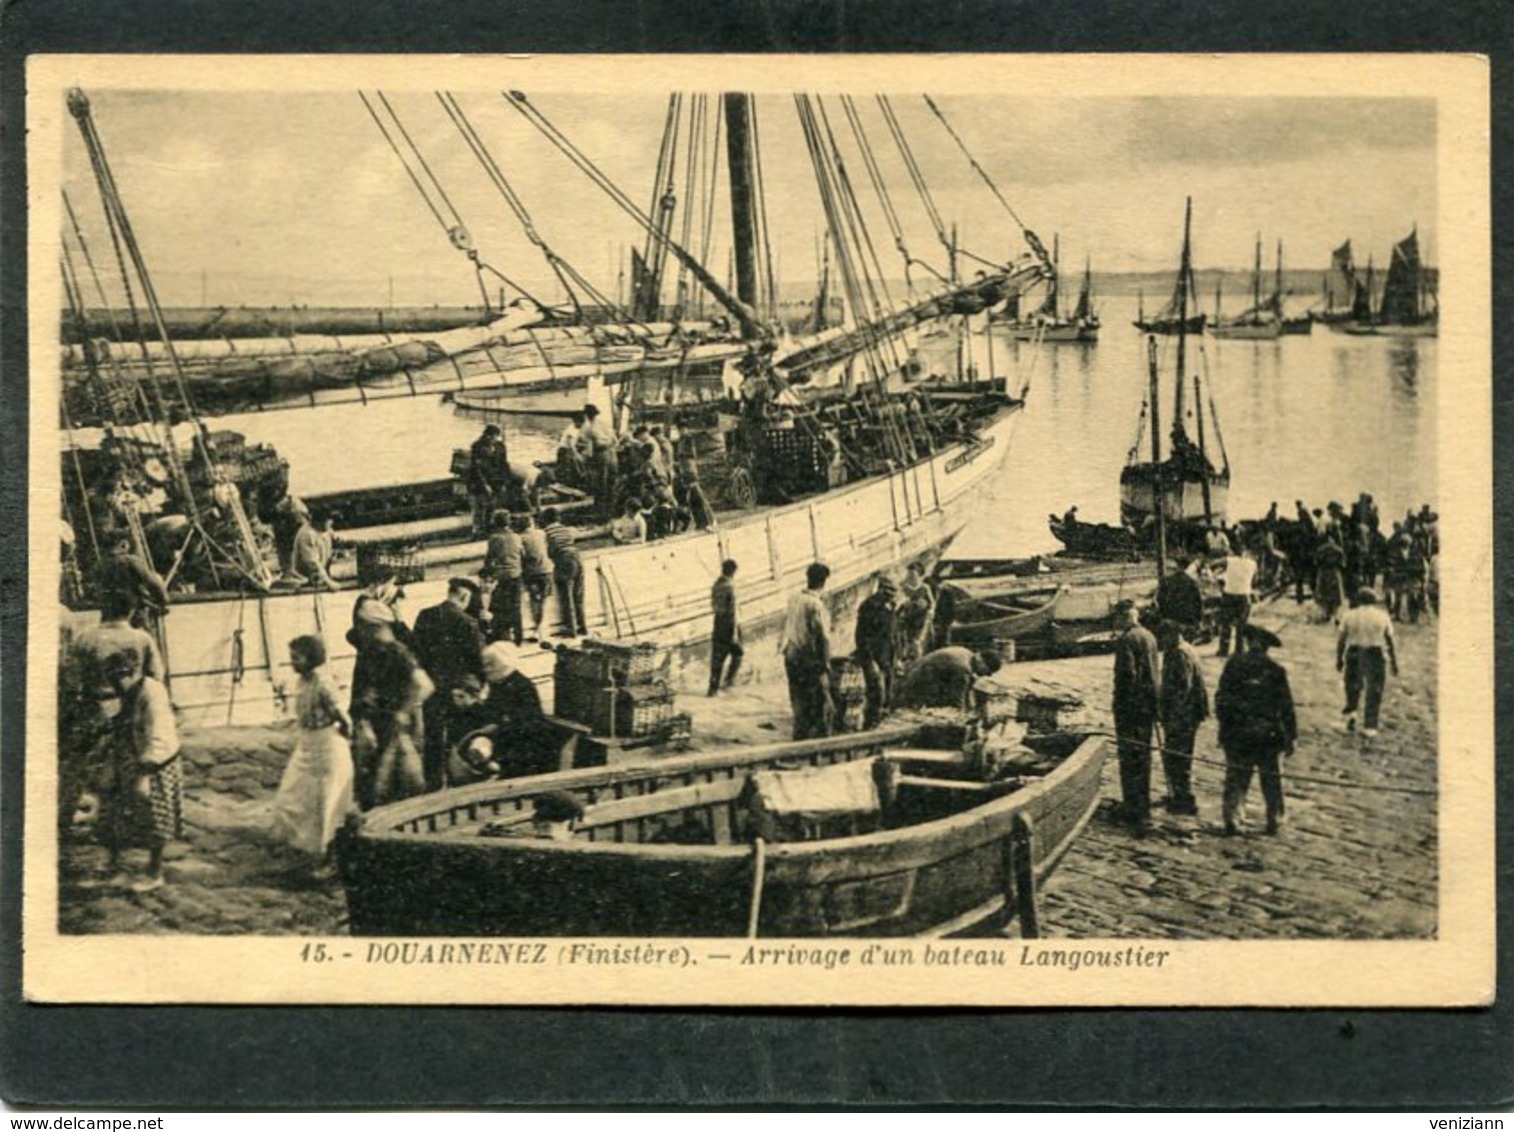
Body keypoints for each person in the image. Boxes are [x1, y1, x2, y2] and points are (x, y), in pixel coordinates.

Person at [270, 635, 354, 876]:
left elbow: (344, 719)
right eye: (292, 657)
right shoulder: (301, 682)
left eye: (297, 657)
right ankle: (301, 850)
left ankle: (331, 860)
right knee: (292, 797)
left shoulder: (323, 683)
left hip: (327, 747)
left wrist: (341, 743)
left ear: (312, 658)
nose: (293, 662)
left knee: (327, 805)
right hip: (306, 745)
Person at [99, 649, 182, 893]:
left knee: (155, 815)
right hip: (128, 754)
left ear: (134, 671)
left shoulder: (152, 692)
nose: (116, 683)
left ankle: (155, 872)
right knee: (112, 808)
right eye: (111, 678)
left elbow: (160, 733)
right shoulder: (126, 691)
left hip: (156, 760)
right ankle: (115, 865)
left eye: (120, 677)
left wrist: (146, 771)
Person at [347, 598, 433, 809]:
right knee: (372, 779)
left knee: (394, 781)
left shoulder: (397, 652)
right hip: (377, 723)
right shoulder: (372, 650)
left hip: (395, 725)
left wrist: (404, 711)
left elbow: (424, 685)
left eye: (364, 625)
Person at [1215, 624, 1297, 836]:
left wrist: (1225, 728)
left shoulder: (1234, 666)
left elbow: (1221, 700)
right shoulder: (1276, 670)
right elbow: (1286, 707)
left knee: (1236, 778)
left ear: (1250, 642)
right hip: (1268, 735)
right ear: (1267, 647)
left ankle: (1232, 818)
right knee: (1271, 781)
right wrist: (1291, 737)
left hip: (1239, 733)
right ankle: (1274, 820)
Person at [411, 577, 487, 791]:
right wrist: (479, 687)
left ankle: (433, 784)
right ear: (464, 596)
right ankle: (457, 782)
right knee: (459, 737)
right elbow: (479, 661)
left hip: (431, 688)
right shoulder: (468, 623)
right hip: (458, 692)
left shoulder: (425, 616)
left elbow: (415, 653)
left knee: (433, 737)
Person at [451, 643, 561, 779]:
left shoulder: (521, 686)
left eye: (490, 665)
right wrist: (472, 705)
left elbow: (523, 723)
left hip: (526, 739)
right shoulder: (500, 683)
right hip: (507, 733)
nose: (486, 670)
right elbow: (492, 712)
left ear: (504, 664)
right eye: (485, 665)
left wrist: (493, 728)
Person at [1111, 599, 1160, 831]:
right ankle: (1143, 805)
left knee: (1130, 759)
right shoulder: (1149, 636)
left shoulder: (1126, 640)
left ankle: (1133, 809)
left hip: (1131, 709)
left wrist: (1120, 706)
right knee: (1143, 758)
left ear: (1123, 617)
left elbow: (1126, 677)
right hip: (1148, 707)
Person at [1157, 619, 1208, 816]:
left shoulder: (1179, 654)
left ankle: (1184, 799)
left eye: (1163, 638)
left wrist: (1171, 718)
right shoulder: (1185, 647)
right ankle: (1178, 793)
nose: (1161, 643)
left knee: (1177, 756)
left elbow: (1182, 690)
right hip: (1188, 713)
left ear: (1171, 635)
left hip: (1184, 715)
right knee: (1179, 756)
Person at [780, 562, 834, 740]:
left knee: (797, 698)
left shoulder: (794, 598)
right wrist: (826, 663)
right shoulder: (816, 605)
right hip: (808, 658)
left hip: (790, 655)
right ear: (824, 582)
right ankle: (818, 739)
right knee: (817, 700)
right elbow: (823, 637)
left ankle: (800, 735)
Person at [1336, 587, 1399, 737]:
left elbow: (1341, 640)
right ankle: (1370, 726)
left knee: (1352, 684)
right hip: (1374, 653)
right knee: (1375, 689)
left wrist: (1339, 658)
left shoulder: (1349, 615)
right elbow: (1389, 640)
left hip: (1354, 652)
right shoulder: (1382, 616)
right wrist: (1394, 662)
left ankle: (1351, 712)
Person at [893, 645, 1000, 711]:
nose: (985, 675)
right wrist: (962, 716)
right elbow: (956, 700)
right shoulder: (962, 668)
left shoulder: (965, 652)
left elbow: (967, 687)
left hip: (913, 677)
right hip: (914, 689)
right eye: (987, 672)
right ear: (982, 663)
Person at [853, 574, 899, 727]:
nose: (892, 595)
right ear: (881, 590)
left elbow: (893, 632)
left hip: (888, 656)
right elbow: (861, 637)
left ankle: (881, 723)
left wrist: (897, 656)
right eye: (889, 592)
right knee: (876, 693)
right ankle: (870, 724)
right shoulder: (869, 606)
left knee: (888, 693)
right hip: (873, 656)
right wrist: (870, 660)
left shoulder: (890, 606)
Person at [95, 534, 169, 627]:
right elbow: (152, 582)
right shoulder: (131, 561)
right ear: (123, 544)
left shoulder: (100, 564)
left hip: (109, 608)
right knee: (143, 634)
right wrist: (163, 601)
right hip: (132, 607)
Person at [481, 510, 526, 646]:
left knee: (498, 606)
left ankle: (500, 633)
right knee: (516, 606)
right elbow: (522, 554)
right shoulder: (517, 536)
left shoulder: (494, 538)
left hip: (502, 577)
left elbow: (490, 558)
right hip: (517, 575)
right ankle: (519, 636)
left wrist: (486, 571)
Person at [541, 507, 586, 637]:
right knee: (579, 594)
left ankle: (571, 628)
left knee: (567, 594)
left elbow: (549, 551)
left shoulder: (546, 532)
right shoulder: (567, 529)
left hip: (563, 559)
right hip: (577, 556)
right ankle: (583, 626)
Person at [1213, 543, 1257, 658]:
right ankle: (1239, 651)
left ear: (1232, 551)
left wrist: (1219, 574)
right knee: (1241, 626)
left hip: (1229, 595)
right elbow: (1255, 579)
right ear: (1245, 552)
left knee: (1226, 625)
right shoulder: (1252, 563)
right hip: (1244, 596)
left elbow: (1214, 564)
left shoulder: (1229, 560)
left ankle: (1223, 650)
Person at [708, 559, 743, 696]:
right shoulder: (730, 587)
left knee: (717, 657)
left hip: (718, 622)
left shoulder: (716, 585)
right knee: (738, 653)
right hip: (730, 623)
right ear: (733, 572)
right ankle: (728, 681)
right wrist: (734, 632)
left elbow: (713, 605)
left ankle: (713, 689)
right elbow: (733, 609)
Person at [467, 424, 510, 535]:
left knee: (493, 506)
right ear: (487, 436)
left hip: (496, 481)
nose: (494, 439)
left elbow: (504, 465)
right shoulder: (477, 447)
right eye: (492, 437)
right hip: (479, 482)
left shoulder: (500, 447)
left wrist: (504, 481)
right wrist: (484, 485)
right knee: (479, 507)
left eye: (496, 437)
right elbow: (476, 469)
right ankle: (478, 531)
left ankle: (489, 527)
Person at [580, 403, 619, 520]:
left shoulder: (589, 428)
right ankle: (611, 510)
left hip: (601, 456)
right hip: (612, 455)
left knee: (600, 484)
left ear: (587, 415)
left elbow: (591, 449)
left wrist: (586, 461)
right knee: (611, 483)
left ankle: (600, 512)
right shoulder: (604, 423)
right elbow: (615, 441)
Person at [518, 513, 553, 642]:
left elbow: (522, 556)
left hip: (531, 573)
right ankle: (542, 630)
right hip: (546, 570)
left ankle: (536, 630)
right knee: (544, 600)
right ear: (531, 524)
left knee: (534, 600)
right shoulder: (541, 533)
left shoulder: (520, 538)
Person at [1155, 553, 1204, 641]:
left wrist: (1163, 614)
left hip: (1171, 618)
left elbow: (1159, 598)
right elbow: (1198, 603)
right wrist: (1199, 620)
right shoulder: (1192, 582)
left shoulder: (1167, 581)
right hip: (1187, 621)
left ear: (1177, 566)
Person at [896, 563, 936, 666]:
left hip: (921, 618)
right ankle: (907, 661)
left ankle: (918, 663)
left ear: (919, 575)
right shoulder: (904, 587)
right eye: (909, 575)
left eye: (913, 575)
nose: (911, 577)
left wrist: (930, 611)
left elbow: (932, 603)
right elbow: (899, 603)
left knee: (916, 642)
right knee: (905, 640)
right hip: (909, 618)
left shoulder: (924, 588)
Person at [288, 509, 337, 590]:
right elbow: (312, 563)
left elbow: (338, 540)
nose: (330, 526)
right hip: (303, 578)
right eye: (328, 523)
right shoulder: (307, 534)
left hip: (320, 574)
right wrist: (329, 583)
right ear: (318, 522)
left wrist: (359, 542)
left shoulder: (325, 529)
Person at [555, 413, 588, 488]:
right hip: (564, 450)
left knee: (569, 467)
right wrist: (576, 454)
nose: (582, 425)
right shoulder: (572, 429)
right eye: (581, 423)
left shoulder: (575, 428)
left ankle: (569, 483)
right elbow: (571, 444)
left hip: (566, 449)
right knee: (565, 468)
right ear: (576, 421)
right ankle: (563, 484)